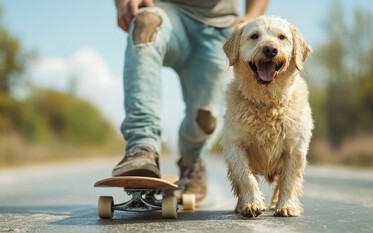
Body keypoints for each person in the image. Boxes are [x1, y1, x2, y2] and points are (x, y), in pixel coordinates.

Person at [113, 0, 269, 206]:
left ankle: (192, 162)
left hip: (220, 26)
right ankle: (142, 146)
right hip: (167, 13)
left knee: (206, 119)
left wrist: (252, 16)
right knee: (145, 23)